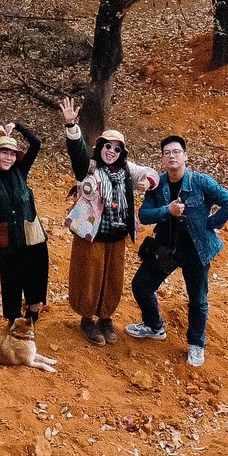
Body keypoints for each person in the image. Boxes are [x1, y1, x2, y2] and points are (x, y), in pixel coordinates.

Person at [126, 134, 228, 367]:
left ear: (185, 156)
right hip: (166, 248)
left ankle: (196, 344)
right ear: (162, 159)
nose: (172, 156)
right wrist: (167, 210)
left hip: (196, 251)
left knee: (198, 299)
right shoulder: (157, 184)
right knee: (141, 286)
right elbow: (144, 215)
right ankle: (154, 326)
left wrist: (211, 224)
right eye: (167, 153)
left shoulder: (201, 182)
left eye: (176, 152)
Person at [60, 96, 156, 347]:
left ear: (121, 152)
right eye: (107, 146)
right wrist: (72, 125)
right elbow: (77, 153)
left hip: (117, 236)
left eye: (116, 148)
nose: (111, 151)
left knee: (112, 278)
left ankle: (105, 317)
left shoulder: (126, 170)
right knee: (89, 276)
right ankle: (86, 319)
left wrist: (148, 181)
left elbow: (150, 172)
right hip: (91, 234)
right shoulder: (90, 168)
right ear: (100, 147)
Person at [0, 120, 47, 335]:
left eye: (12, 153)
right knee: (11, 277)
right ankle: (14, 318)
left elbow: (36, 143)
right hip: (8, 238)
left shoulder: (21, 171)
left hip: (31, 234)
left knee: (35, 273)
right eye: (4, 153)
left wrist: (18, 125)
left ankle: (33, 313)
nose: (8, 157)